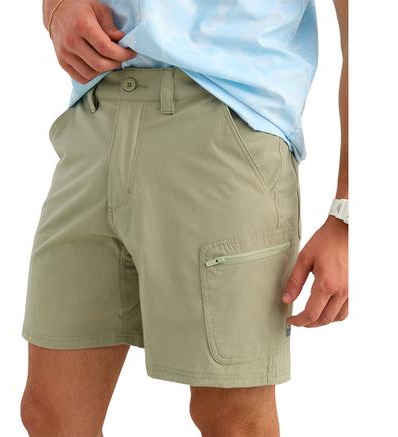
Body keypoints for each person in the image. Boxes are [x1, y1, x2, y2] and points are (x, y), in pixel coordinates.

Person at [20, 1, 348, 436]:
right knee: (52, 414)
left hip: (226, 127)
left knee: (232, 418)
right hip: (95, 118)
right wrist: (57, 7)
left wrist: (348, 215)